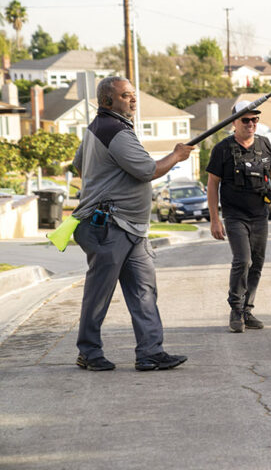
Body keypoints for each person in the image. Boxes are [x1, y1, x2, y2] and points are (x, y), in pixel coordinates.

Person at [72, 76, 194, 371]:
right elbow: (147, 170)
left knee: (144, 291)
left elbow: (79, 163)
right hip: (109, 226)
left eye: (133, 95)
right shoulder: (114, 131)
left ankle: (150, 352)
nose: (133, 100)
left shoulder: (98, 128)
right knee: (99, 294)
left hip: (130, 229)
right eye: (126, 96)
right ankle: (88, 352)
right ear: (107, 101)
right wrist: (177, 156)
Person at [206, 101, 271, 333]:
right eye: (246, 120)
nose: (251, 124)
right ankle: (235, 309)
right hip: (235, 216)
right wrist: (215, 219)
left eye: (255, 119)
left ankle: (247, 309)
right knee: (242, 260)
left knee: (256, 263)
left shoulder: (264, 144)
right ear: (233, 122)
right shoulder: (222, 149)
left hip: (259, 215)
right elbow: (212, 184)